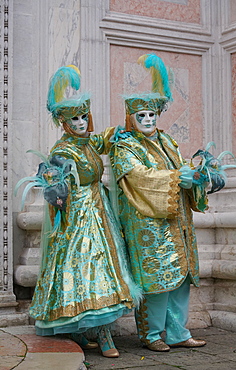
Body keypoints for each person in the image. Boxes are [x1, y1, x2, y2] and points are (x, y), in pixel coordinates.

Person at [15, 65, 141, 358]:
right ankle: (96, 334)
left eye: (85, 116)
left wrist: (125, 127)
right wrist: (57, 191)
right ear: (64, 122)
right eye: (75, 118)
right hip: (75, 219)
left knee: (104, 268)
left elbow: (107, 139)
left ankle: (93, 332)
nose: (82, 122)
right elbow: (53, 185)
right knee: (84, 269)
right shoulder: (62, 150)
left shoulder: (89, 144)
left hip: (100, 214)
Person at [108, 54, 209, 352]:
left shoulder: (167, 141)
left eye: (152, 115)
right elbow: (138, 177)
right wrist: (178, 178)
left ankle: (178, 332)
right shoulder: (124, 145)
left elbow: (180, 167)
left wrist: (198, 175)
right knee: (157, 282)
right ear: (131, 118)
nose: (149, 120)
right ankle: (152, 335)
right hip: (148, 225)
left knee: (180, 280)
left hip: (176, 223)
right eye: (142, 116)